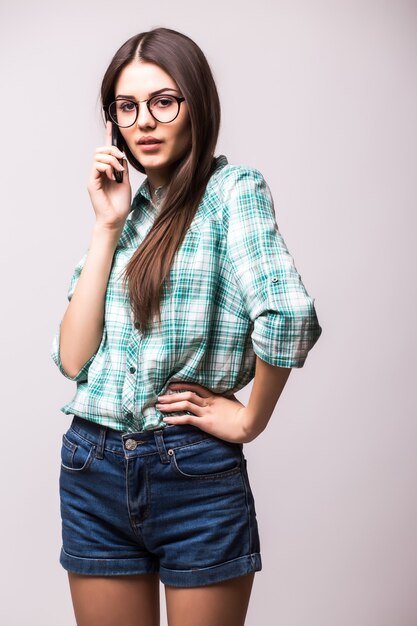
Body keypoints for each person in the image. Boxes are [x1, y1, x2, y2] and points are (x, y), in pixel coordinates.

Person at [50, 27, 322, 626]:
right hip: (91, 468)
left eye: (163, 101)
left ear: (196, 104)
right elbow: (73, 359)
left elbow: (289, 316)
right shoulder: (123, 209)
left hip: (190, 472)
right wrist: (105, 226)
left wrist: (250, 419)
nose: (144, 121)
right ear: (112, 123)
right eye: (127, 107)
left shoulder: (233, 193)